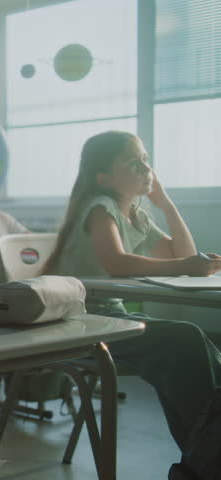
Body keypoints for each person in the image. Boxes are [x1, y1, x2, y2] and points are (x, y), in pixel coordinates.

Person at [43, 130, 221, 472]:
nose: (145, 168)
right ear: (103, 177)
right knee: (182, 342)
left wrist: (165, 203)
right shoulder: (100, 207)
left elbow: (182, 253)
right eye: (133, 162)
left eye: (146, 160)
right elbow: (117, 262)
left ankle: (206, 452)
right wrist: (186, 264)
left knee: (194, 346)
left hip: (109, 317)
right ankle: (207, 453)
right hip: (78, 323)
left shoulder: (136, 212)